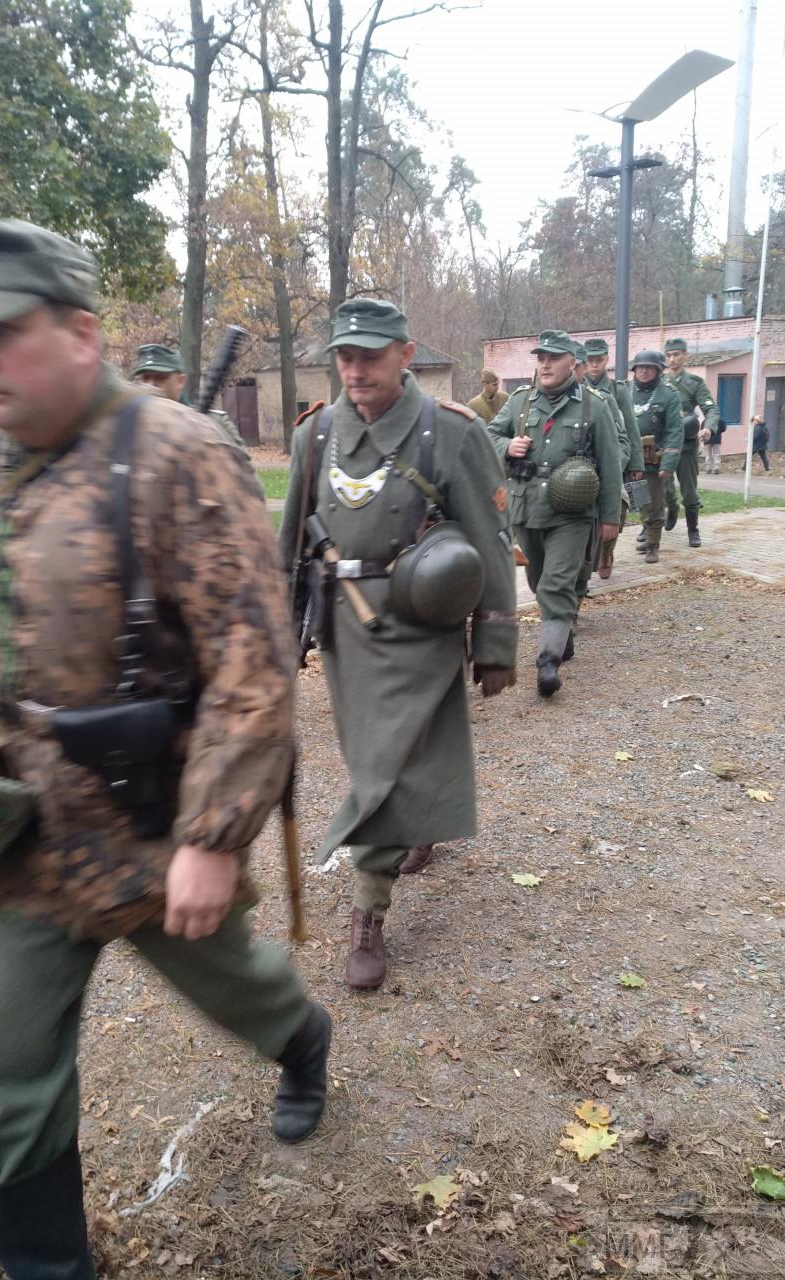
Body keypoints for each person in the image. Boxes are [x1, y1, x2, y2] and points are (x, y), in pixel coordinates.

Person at [0, 215, 330, 1279]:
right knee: (4, 1077)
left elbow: (253, 660)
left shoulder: (179, 454)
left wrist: (214, 833)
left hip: (154, 821)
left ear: (83, 333)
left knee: (240, 989)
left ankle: (305, 1040)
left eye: (0, 330)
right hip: (29, 838)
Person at [278, 298, 518, 992]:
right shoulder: (316, 434)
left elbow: (490, 541)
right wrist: (283, 630)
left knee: (380, 771)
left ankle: (367, 912)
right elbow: (292, 541)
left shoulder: (450, 433)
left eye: (370, 355)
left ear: (405, 354)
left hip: (423, 620)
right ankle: (418, 823)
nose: (355, 369)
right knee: (376, 756)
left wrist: (495, 642)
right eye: (344, 357)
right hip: (346, 629)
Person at [489, 330, 622, 697]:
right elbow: (485, 434)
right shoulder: (519, 402)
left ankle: (548, 662)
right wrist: (506, 445)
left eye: (553, 357)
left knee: (556, 584)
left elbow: (610, 466)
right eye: (540, 358)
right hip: (526, 507)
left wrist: (610, 518)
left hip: (572, 511)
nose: (544, 364)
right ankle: (562, 635)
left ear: (572, 363)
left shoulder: (594, 406)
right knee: (536, 580)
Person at [583, 336, 643, 580]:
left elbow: (630, 427)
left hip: (615, 457)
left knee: (619, 506)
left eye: (599, 360)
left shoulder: (617, 390)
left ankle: (607, 552)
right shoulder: (577, 386)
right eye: (590, 361)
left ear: (607, 360)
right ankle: (589, 558)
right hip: (586, 461)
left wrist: (636, 463)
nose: (594, 365)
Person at [132, 342, 248, 451]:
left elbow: (243, 470)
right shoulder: (131, 426)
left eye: (160, 377)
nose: (150, 384)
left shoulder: (214, 423)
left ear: (180, 381)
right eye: (145, 378)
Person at [663, 337, 718, 548]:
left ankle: (693, 530)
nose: (672, 359)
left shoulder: (694, 383)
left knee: (689, 491)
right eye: (668, 355)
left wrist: (708, 427)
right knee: (664, 489)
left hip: (686, 444)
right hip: (664, 445)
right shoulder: (659, 383)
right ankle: (671, 509)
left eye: (676, 354)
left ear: (685, 355)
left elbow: (710, 408)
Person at [630, 350, 683, 564]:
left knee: (654, 504)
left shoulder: (668, 394)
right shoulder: (624, 391)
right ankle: (647, 531)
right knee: (639, 500)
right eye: (639, 367)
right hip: (631, 458)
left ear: (658, 370)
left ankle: (653, 544)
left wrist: (669, 464)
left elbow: (674, 431)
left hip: (654, 459)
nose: (643, 371)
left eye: (648, 367)